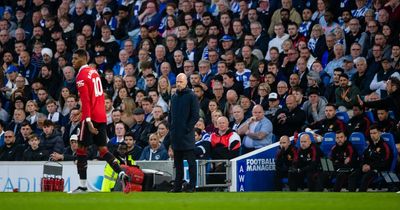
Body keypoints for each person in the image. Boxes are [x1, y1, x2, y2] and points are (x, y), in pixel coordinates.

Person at [70, 49, 129, 193]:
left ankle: (83, 186)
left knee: (80, 150)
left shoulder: (81, 76)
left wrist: (88, 119)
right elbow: (96, 96)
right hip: (101, 115)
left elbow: (86, 98)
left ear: (84, 59)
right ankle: (121, 172)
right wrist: (81, 110)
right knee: (103, 150)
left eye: (76, 58)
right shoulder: (93, 72)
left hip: (90, 117)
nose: (73, 61)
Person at [168, 73, 200, 193]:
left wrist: (187, 128)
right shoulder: (174, 96)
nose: (178, 84)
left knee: (191, 163)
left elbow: (195, 115)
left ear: (186, 82)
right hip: (176, 134)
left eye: (181, 81)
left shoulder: (192, 96)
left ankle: (192, 186)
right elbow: (171, 114)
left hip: (186, 135)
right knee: (178, 164)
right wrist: (171, 127)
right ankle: (177, 186)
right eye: (177, 81)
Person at [348, 125, 392, 192]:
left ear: (379, 133)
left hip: (377, 170)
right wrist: (363, 165)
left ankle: (360, 195)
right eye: (371, 133)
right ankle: (351, 195)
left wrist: (370, 167)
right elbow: (364, 158)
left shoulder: (384, 146)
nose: (372, 135)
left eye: (374, 133)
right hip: (367, 168)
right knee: (352, 175)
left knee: (366, 177)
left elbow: (385, 162)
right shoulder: (370, 146)